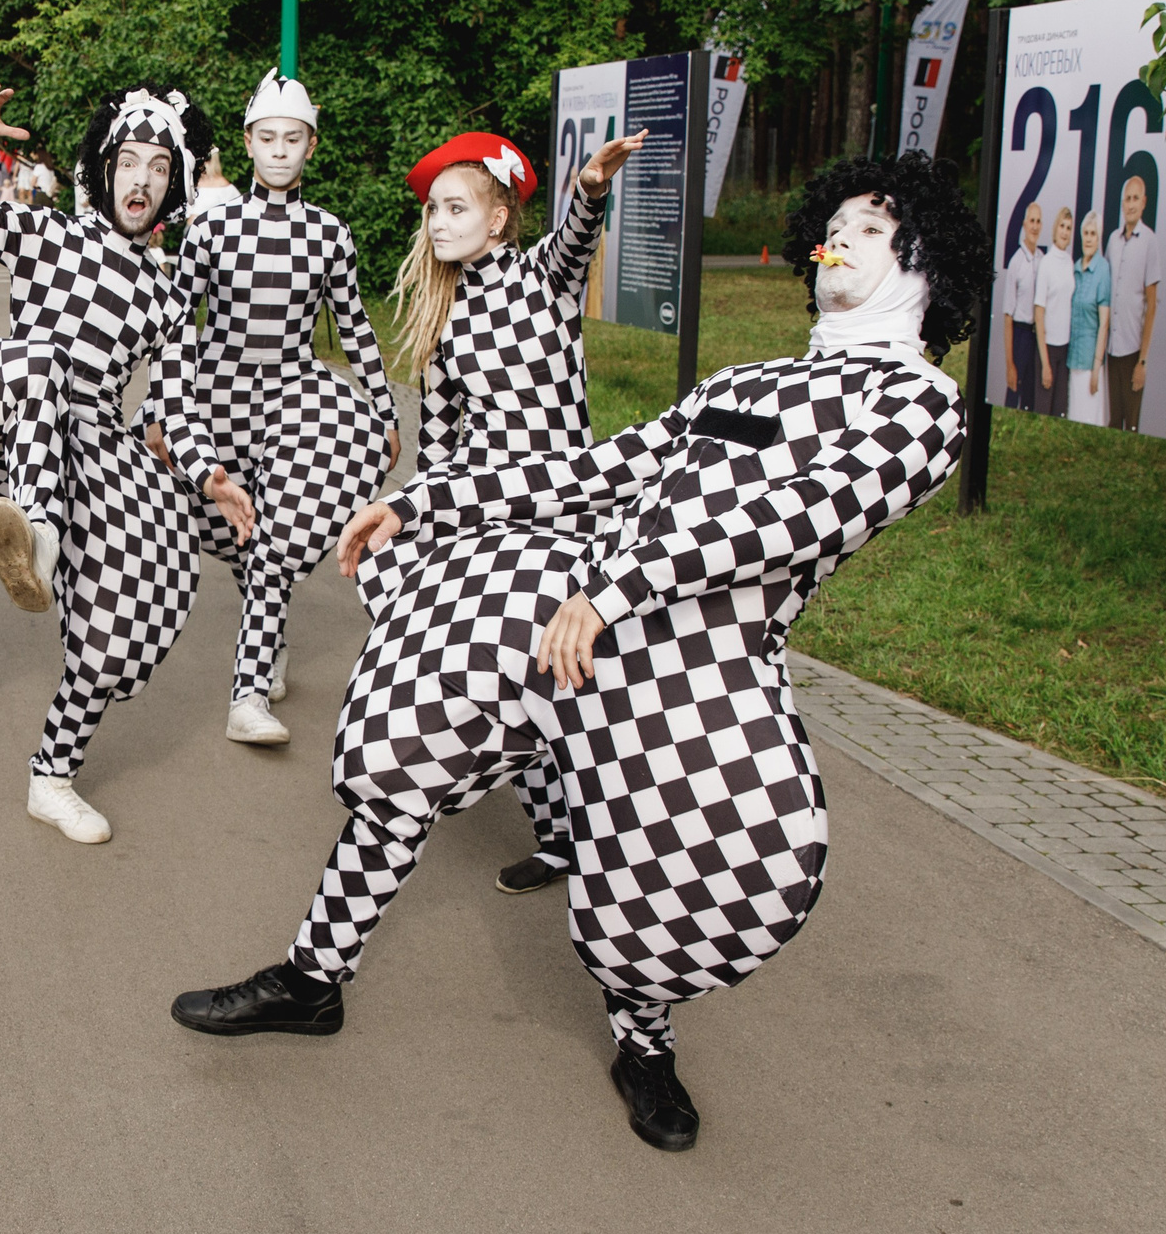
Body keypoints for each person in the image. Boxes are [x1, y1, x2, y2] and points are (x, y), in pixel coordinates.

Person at [168, 150, 987, 1156]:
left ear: (927, 264)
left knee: (657, 890)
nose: (842, 239)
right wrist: (417, 503)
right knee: (398, 756)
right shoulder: (753, 379)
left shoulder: (917, 406)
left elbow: (792, 516)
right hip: (572, 609)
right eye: (841, 221)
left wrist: (618, 586)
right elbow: (602, 469)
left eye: (873, 227)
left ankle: (642, 1041)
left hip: (690, 673)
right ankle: (312, 977)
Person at [0, 75, 215, 846]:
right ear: (104, 165)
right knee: (41, 360)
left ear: (172, 184)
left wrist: (208, 474)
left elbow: (175, 406)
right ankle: (33, 535)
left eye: (160, 166)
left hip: (89, 443)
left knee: (130, 603)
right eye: (131, 159)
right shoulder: (47, 233)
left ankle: (53, 774)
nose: (142, 178)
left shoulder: (170, 297)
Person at [356, 122, 643, 895]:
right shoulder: (442, 324)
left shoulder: (541, 281)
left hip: (572, 517)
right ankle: (558, 840)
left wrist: (589, 188)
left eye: (456, 208)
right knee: (516, 681)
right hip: (493, 525)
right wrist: (426, 520)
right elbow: (444, 447)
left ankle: (612, 843)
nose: (439, 223)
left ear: (498, 218)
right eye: (433, 211)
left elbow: (575, 242)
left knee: (578, 686)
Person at [151, 70, 398, 746]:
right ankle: (271, 639)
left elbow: (355, 327)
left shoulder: (330, 234)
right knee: (240, 542)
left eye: (293, 138)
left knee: (272, 546)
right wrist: (158, 410)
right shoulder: (210, 229)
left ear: (311, 145)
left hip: (297, 398)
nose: (281, 150)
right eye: (268, 138)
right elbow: (177, 327)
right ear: (248, 143)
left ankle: (247, 693)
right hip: (218, 396)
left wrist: (383, 410)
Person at [1105, 175, 1162, 434]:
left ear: (1144, 203)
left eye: (1135, 198)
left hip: (1132, 351)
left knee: (1133, 425)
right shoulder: (1113, 242)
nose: (1130, 204)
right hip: (1111, 349)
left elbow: (1152, 305)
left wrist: (1143, 361)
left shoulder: (1150, 242)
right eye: (1127, 198)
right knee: (1113, 420)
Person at [1067, 209, 1113, 426]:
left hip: (1089, 363)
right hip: (1072, 359)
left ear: (1099, 237)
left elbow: (1104, 323)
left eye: (1093, 233)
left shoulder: (1103, 270)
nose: (1088, 238)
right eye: (1085, 233)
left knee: (1087, 420)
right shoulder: (1074, 267)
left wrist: (1096, 367)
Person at [1033, 204, 1076, 417]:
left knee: (1060, 411)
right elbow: (1039, 314)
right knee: (1043, 411)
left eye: (1069, 228)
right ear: (1055, 228)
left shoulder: (1069, 262)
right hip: (1047, 349)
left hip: (1065, 348)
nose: (1065, 232)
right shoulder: (1047, 263)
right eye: (1062, 226)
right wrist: (1045, 363)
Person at [1000, 198, 1042, 411]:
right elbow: (1007, 317)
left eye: (1038, 221)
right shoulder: (1016, 262)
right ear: (1025, 225)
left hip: (1037, 335)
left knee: (1031, 397)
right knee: (1013, 391)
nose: (1034, 226)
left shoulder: (1042, 259)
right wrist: (1010, 365)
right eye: (1031, 221)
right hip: (1020, 334)